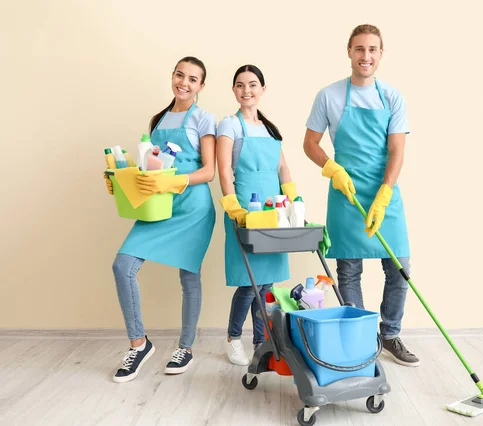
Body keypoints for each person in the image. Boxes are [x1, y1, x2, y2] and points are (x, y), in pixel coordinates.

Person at [303, 25, 419, 367]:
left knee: (399, 268)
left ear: (381, 54)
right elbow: (310, 143)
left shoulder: (393, 97)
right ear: (349, 52)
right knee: (349, 271)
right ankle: (362, 339)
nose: (365, 56)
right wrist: (332, 169)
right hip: (346, 192)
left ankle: (391, 333)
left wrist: (384, 194)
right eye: (359, 49)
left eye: (372, 49)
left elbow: (397, 151)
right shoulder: (330, 95)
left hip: (384, 190)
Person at [104, 56, 217, 382]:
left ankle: (186, 347)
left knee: (189, 277)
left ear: (201, 86)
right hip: (159, 207)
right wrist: (121, 179)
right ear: (173, 77)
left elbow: (208, 171)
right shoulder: (158, 120)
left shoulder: (203, 119)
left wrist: (174, 181)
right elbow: (149, 168)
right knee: (122, 266)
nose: (184, 82)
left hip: (193, 209)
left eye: (193, 79)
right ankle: (139, 344)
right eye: (180, 75)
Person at [217, 65, 297, 365]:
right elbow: (224, 168)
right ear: (234, 90)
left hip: (272, 211)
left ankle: (261, 342)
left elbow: (282, 167)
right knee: (249, 282)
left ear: (263, 89)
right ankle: (233, 338)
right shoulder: (229, 125)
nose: (246, 90)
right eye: (240, 85)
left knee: (266, 284)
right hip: (244, 211)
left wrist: (292, 195)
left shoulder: (269, 129)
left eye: (252, 84)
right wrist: (232, 205)